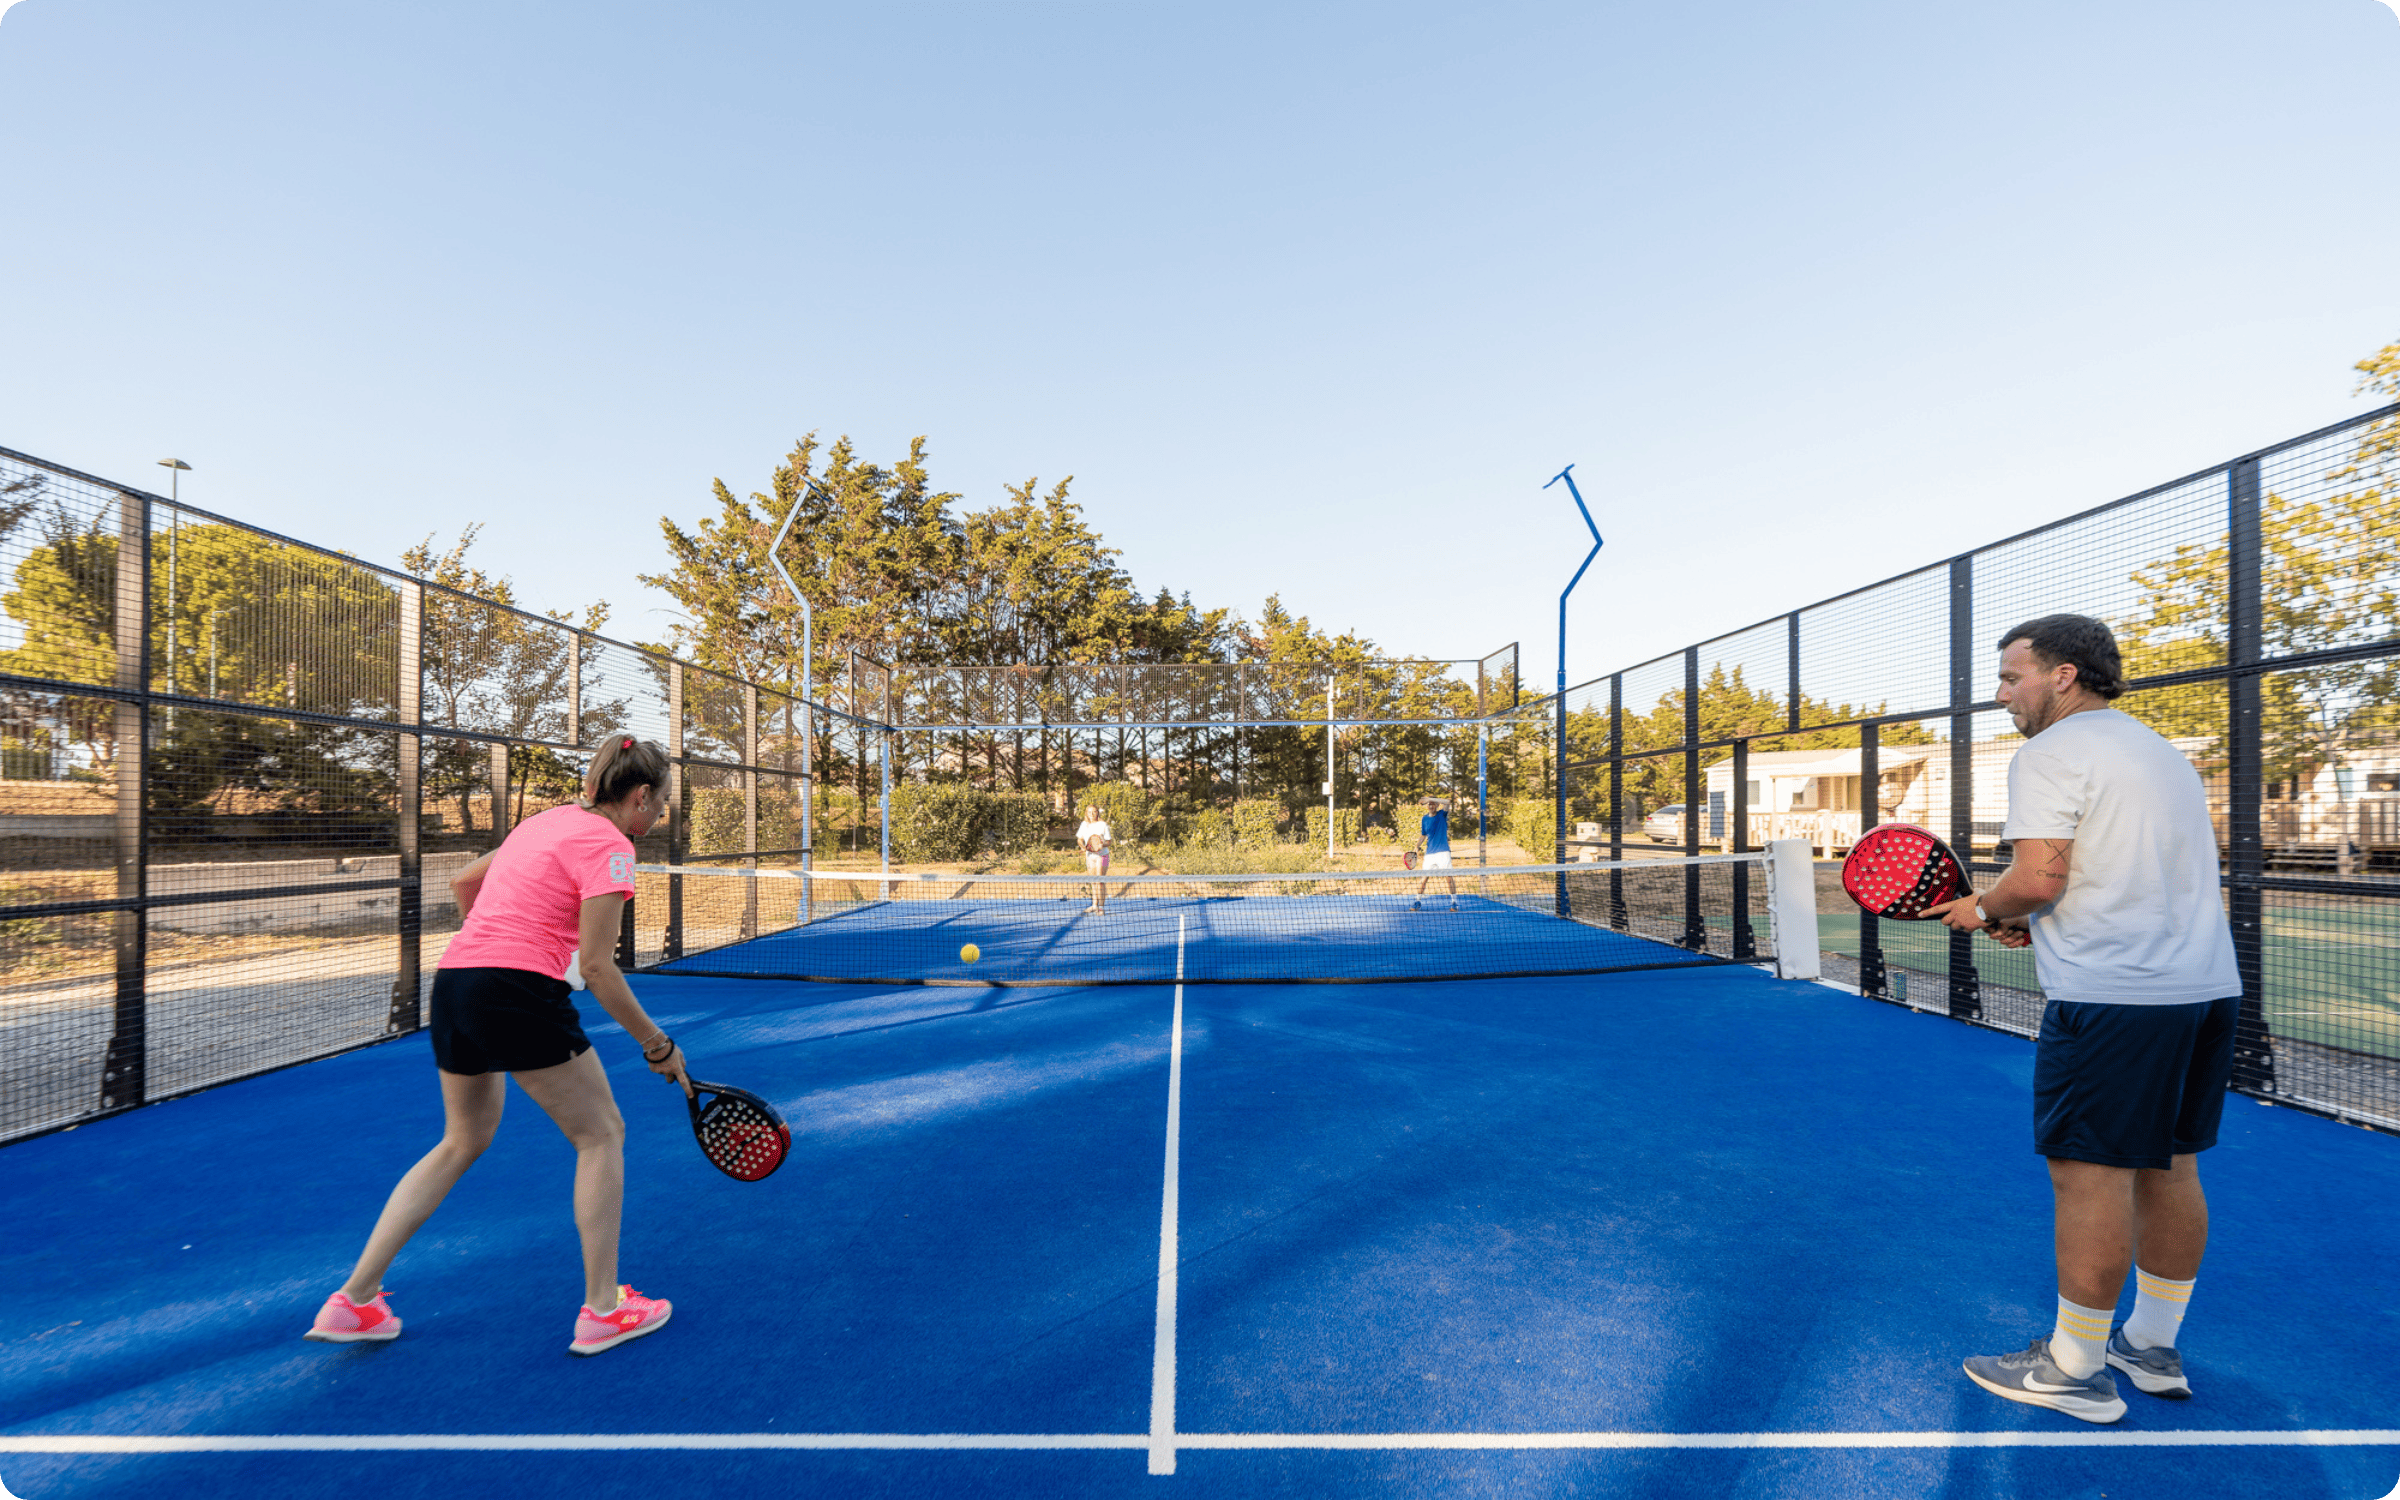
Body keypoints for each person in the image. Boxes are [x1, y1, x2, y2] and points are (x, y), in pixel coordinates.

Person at [1926, 615, 2241, 1424]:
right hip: (2203, 987)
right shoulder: (2159, 752)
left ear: (2063, 676)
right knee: (2172, 1165)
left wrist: (1982, 907)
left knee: (2088, 1172)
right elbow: (2108, 875)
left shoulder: (2051, 753)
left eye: (2011, 676)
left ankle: (2073, 1369)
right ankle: (2152, 1344)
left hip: (2115, 998)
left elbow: (2038, 877)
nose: (2002, 695)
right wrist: (2031, 915)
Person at [304, 736, 694, 1358]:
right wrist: (656, 1044)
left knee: (464, 1138)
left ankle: (354, 1300)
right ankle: (603, 1310)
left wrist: (496, 947)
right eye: (663, 802)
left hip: (457, 982)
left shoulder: (546, 822)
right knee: (601, 1134)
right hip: (514, 992)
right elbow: (597, 967)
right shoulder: (613, 848)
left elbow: (465, 882)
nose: (661, 815)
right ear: (641, 796)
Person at [1412, 797, 1458, 911]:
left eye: (1433, 804)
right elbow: (1423, 835)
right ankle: (1417, 901)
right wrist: (1417, 846)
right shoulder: (1424, 819)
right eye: (1429, 804)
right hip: (1430, 854)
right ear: (1427, 806)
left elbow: (1448, 801)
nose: (1431, 806)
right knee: (1424, 879)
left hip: (1443, 852)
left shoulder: (1442, 815)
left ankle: (1454, 903)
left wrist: (1429, 798)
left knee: (1449, 878)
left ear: (1437, 805)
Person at [1077, 802, 1113, 914]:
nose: (1092, 814)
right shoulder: (1084, 824)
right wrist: (1083, 847)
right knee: (1093, 881)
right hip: (1090, 856)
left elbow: (1109, 841)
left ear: (1097, 813)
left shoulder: (1103, 825)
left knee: (1100, 881)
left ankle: (1101, 907)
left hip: (1104, 856)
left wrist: (1102, 845)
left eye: (1094, 811)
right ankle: (1094, 905)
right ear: (1086, 813)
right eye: (1089, 812)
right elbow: (1080, 840)